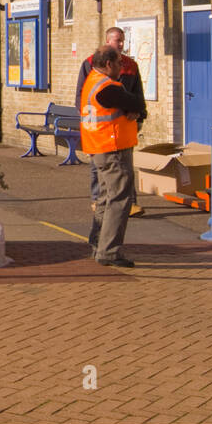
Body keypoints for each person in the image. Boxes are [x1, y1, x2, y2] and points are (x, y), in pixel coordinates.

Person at [81, 47, 146, 267]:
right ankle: (109, 251)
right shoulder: (107, 88)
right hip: (112, 149)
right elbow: (137, 103)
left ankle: (98, 244)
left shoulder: (92, 80)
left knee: (105, 199)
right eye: (118, 63)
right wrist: (134, 108)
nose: (121, 67)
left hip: (99, 148)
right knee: (120, 199)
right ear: (108, 64)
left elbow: (134, 105)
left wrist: (134, 108)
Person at [76, 27, 147, 217]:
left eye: (123, 40)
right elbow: (85, 97)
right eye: (118, 41)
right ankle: (98, 201)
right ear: (108, 41)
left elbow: (137, 95)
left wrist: (138, 112)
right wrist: (129, 106)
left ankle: (130, 203)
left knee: (125, 170)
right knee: (100, 171)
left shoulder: (130, 65)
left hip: (124, 127)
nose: (121, 44)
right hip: (100, 130)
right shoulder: (91, 65)